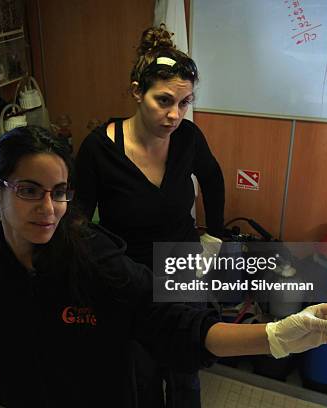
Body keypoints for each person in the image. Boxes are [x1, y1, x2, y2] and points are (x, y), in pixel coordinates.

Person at [0, 126, 327, 408]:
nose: (49, 207)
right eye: (29, 190)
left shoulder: (90, 255)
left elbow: (175, 324)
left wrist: (274, 337)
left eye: (59, 192)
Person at [73, 26, 224, 407]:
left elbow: (213, 179)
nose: (175, 114)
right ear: (137, 91)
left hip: (181, 265)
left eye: (185, 102)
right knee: (140, 376)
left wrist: (215, 238)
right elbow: (76, 220)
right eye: (164, 100)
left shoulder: (188, 138)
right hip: (128, 274)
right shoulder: (98, 150)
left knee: (185, 370)